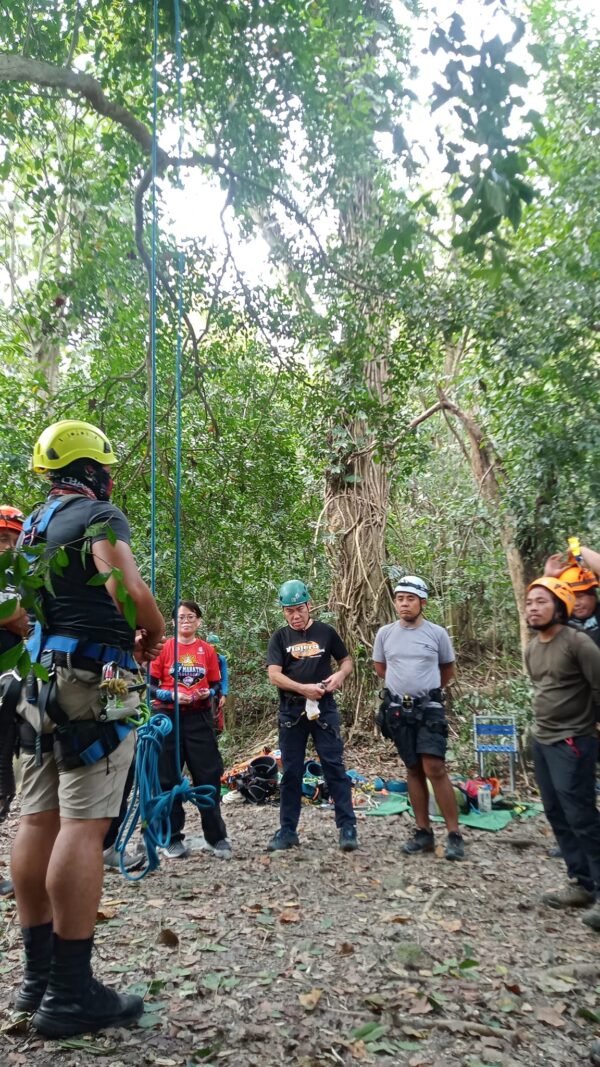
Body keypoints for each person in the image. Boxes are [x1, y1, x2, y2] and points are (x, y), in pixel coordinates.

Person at [10, 419, 165, 1037]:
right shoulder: (99, 515)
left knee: (36, 819)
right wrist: (151, 633)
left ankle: (37, 980)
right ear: (94, 469)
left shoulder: (30, 527)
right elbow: (128, 588)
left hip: (35, 681)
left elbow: (18, 609)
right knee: (82, 823)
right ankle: (72, 993)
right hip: (92, 683)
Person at [524, 576, 600, 930]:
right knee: (556, 812)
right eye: (529, 602)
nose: (534, 608)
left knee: (582, 815)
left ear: (560, 606)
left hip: (573, 740)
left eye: (541, 601)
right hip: (542, 739)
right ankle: (581, 883)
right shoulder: (533, 647)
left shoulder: (579, 643)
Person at [373, 575, 464, 861]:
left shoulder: (436, 634)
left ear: (422, 602)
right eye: (400, 598)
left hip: (429, 709)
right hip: (399, 710)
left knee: (434, 766)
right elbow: (381, 668)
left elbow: (447, 670)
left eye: (410, 599)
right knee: (413, 768)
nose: (404, 603)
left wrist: (426, 690)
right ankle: (423, 831)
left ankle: (454, 834)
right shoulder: (385, 634)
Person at [265, 579, 358, 853]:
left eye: (299, 609)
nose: (295, 616)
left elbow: (347, 660)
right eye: (288, 611)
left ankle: (347, 827)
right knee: (291, 770)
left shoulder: (326, 633)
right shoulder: (280, 638)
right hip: (292, 711)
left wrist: (339, 676)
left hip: (325, 710)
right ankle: (288, 830)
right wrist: (302, 688)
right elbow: (274, 674)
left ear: (309, 605)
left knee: (334, 766)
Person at [150, 601, 231, 859]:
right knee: (167, 777)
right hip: (167, 717)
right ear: (174, 621)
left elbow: (218, 685)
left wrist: (209, 692)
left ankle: (216, 837)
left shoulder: (206, 650)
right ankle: (171, 838)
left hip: (199, 717)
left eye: (191, 616)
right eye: (181, 617)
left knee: (208, 775)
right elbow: (149, 686)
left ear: (198, 621)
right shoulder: (164, 648)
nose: (186, 621)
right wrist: (168, 694)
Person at [0, 506, 29, 897]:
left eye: (11, 537)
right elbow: (19, 615)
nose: (6, 543)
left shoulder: (21, 574)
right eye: (1, 537)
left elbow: (28, 617)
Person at [206, 632, 228, 735]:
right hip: (202, 690)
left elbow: (224, 678)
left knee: (215, 719)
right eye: (210, 644)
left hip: (215, 692)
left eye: (214, 645)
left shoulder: (221, 659)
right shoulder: (202, 657)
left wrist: (224, 694)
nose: (212, 647)